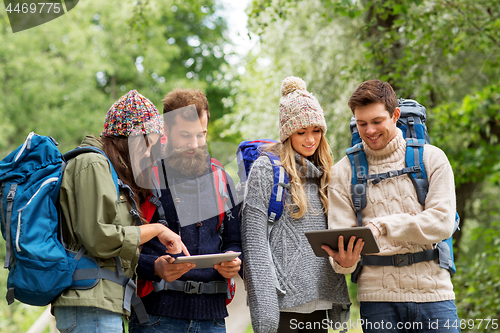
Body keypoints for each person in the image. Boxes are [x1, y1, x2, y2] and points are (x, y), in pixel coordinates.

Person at [324, 79, 460, 332]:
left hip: (435, 295)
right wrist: (343, 261)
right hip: (377, 301)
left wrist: (382, 226)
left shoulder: (432, 158)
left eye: (377, 121)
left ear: (395, 115)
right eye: (362, 123)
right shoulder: (342, 173)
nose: (370, 131)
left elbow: (443, 223)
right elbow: (341, 250)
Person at [52, 90, 188, 333]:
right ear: (127, 138)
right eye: (147, 143)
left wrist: (155, 265)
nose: (148, 153)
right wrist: (156, 229)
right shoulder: (92, 164)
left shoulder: (108, 171)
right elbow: (99, 238)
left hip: (102, 303)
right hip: (91, 304)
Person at [241, 76, 351, 333]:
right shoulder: (266, 170)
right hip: (283, 309)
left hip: (321, 305)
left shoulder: (326, 173)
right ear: (287, 133)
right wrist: (265, 315)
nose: (310, 139)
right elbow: (255, 245)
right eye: (301, 132)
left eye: (316, 131)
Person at [129, 88, 242, 333]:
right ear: (166, 132)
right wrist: (154, 266)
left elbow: (234, 240)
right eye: (185, 135)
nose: (195, 144)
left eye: (202, 134)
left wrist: (234, 261)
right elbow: (121, 244)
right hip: (156, 317)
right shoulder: (144, 179)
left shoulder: (222, 179)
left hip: (213, 319)